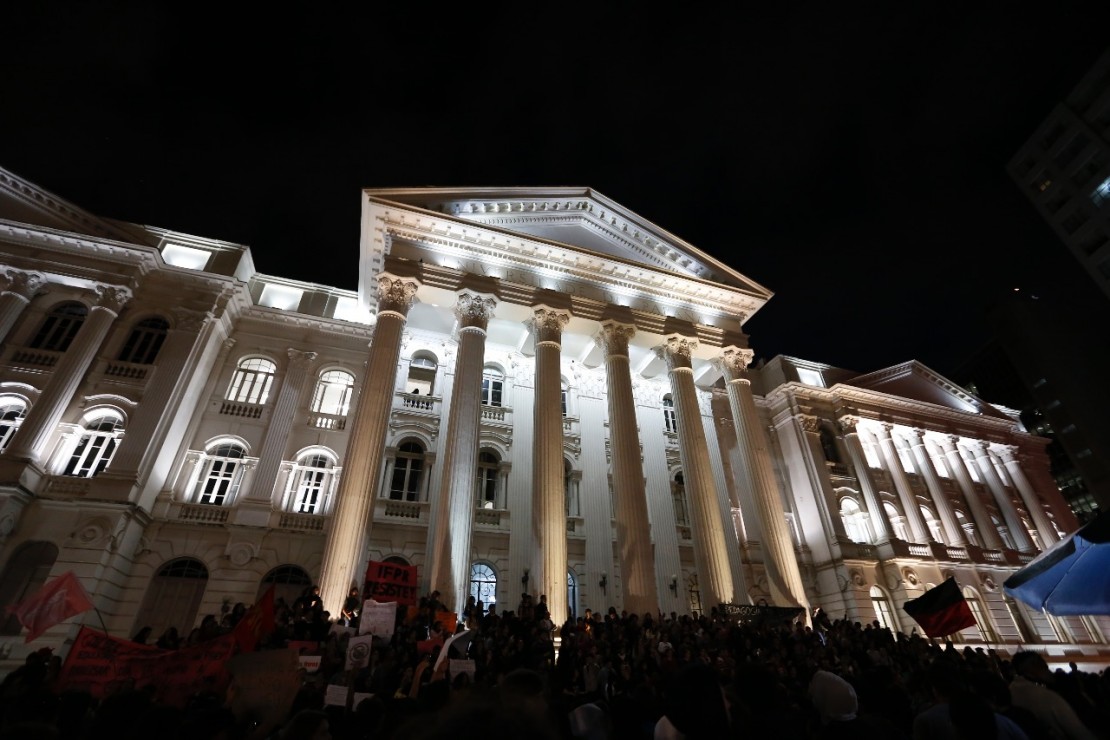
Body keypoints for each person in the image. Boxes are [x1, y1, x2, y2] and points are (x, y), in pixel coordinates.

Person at [1009, 652, 1097, 740]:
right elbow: (1078, 731)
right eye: (1045, 667)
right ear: (1034, 668)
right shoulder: (1046, 696)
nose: (1049, 672)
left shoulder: (1011, 689)